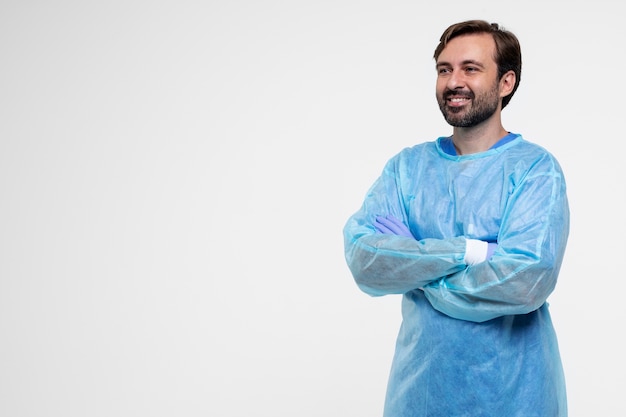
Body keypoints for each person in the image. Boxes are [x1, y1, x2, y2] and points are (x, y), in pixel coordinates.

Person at [343, 20, 570, 416]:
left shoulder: (535, 170)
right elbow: (367, 261)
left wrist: (415, 260)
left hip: (513, 394)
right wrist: (472, 251)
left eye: (471, 68)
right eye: (444, 69)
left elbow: (526, 279)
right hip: (420, 392)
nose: (453, 82)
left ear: (506, 83)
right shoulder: (407, 169)